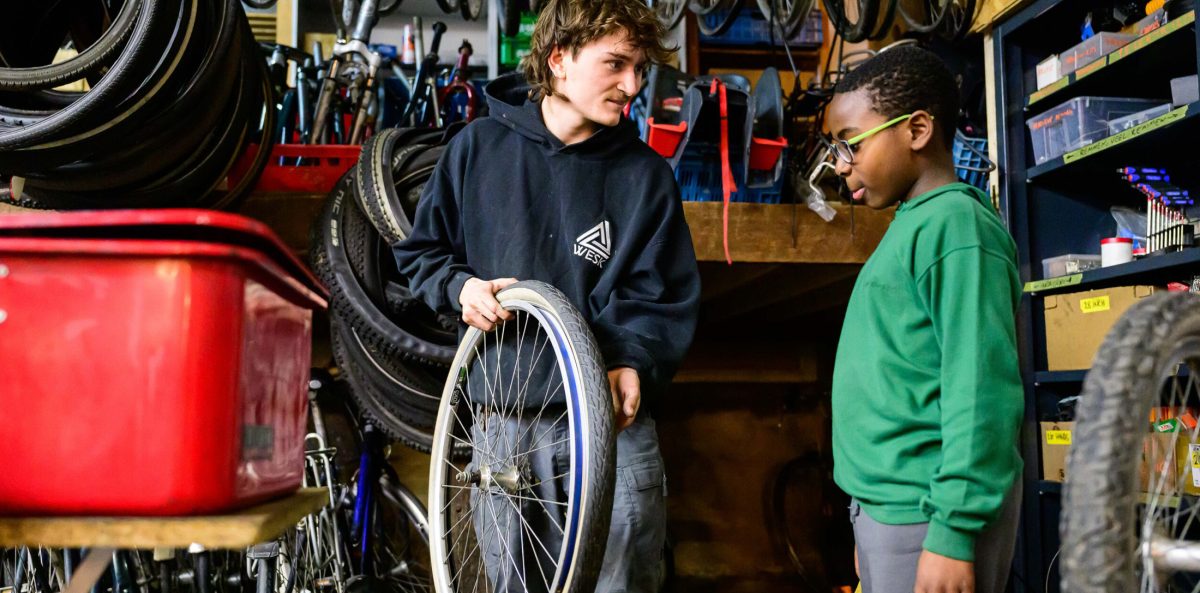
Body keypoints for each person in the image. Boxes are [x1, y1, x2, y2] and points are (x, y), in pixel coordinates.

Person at [393, 1, 700, 591]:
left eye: (638, 68)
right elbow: (421, 256)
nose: (632, 85)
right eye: (615, 64)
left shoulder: (647, 178)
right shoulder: (476, 150)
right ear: (559, 60)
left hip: (609, 426)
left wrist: (633, 359)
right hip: (504, 425)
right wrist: (461, 288)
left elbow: (660, 292)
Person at [824, 45, 1024, 593]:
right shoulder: (916, 223)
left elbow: (980, 388)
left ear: (915, 130)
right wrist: (870, 522)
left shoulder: (957, 228)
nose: (840, 164)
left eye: (850, 144)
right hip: (894, 512)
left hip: (931, 514)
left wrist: (952, 532)